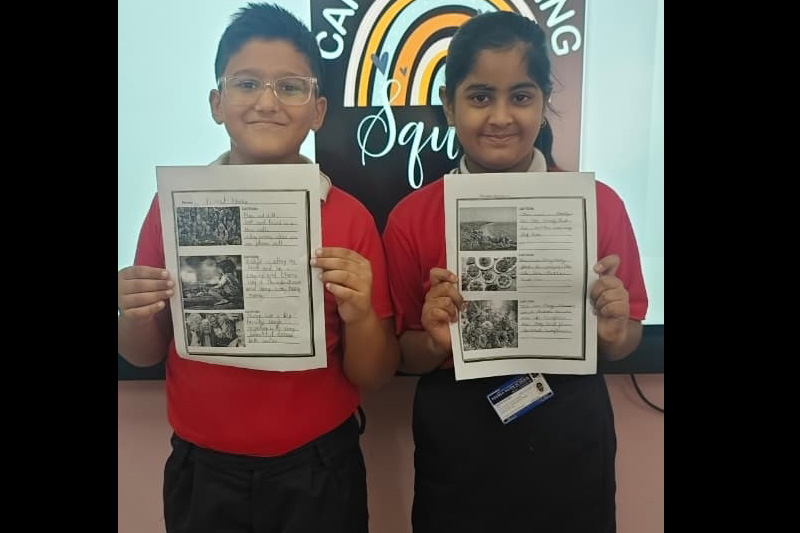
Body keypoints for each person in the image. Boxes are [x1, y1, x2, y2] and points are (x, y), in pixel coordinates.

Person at [117, 4, 401, 532]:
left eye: (290, 87)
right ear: (216, 103)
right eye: (246, 84)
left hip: (319, 467)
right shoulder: (171, 209)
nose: (267, 102)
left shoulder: (350, 218)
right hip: (203, 470)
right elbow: (143, 352)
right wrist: (132, 313)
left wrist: (362, 316)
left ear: (318, 111)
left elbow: (375, 374)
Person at [382, 11, 648, 533]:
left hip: (570, 434)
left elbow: (625, 340)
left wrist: (615, 331)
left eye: (521, 96)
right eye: (480, 96)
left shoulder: (599, 205)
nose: (501, 117)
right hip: (459, 441)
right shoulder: (411, 218)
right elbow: (404, 356)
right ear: (449, 105)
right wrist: (434, 340)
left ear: (544, 101)